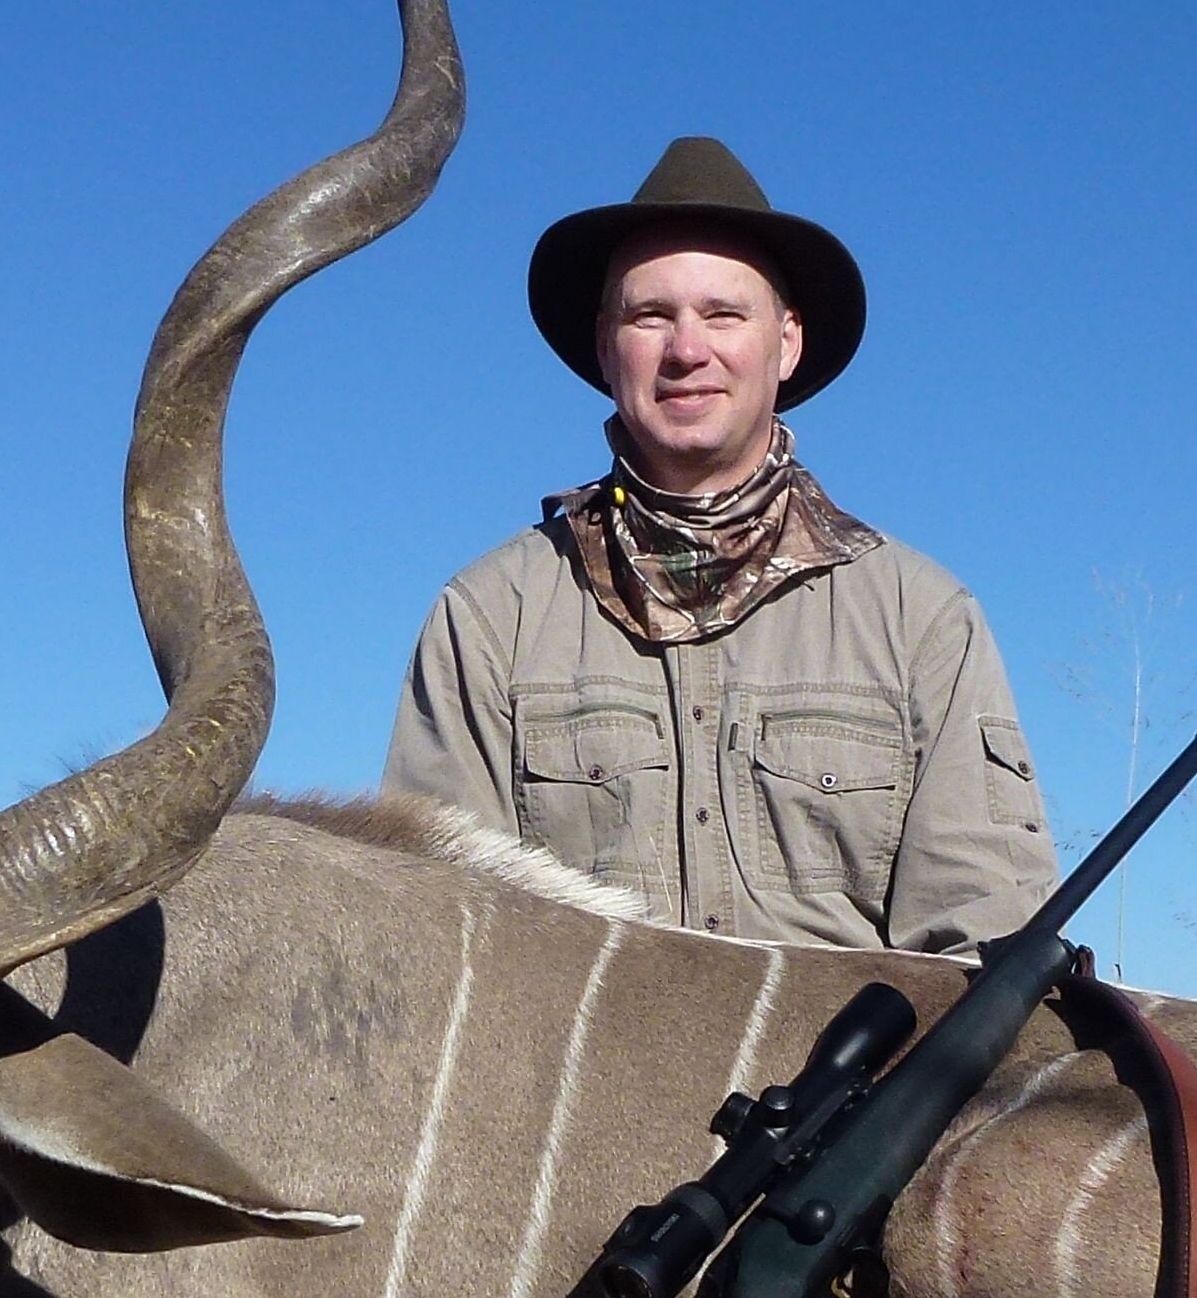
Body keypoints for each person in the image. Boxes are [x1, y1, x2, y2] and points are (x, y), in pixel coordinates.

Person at [384, 136, 1055, 950]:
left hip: (859, 1076)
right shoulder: (491, 616)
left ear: (786, 341)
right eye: (650, 315)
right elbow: (434, 939)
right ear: (606, 347)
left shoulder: (923, 620)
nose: (687, 350)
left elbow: (982, 943)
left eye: (724, 313)